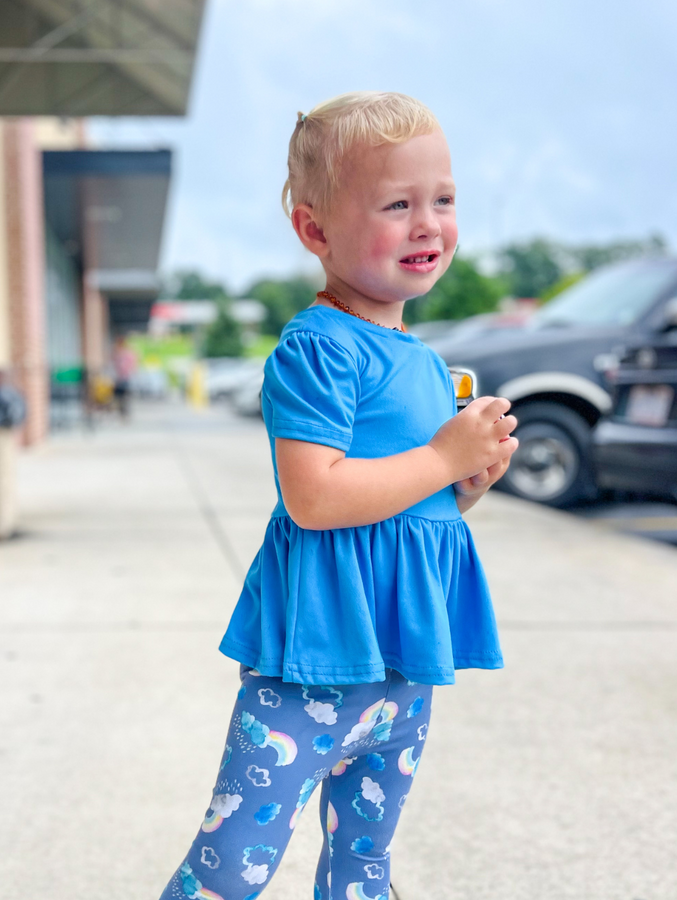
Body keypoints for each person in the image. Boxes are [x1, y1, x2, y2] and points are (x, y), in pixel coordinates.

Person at [158, 91, 518, 900]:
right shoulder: (317, 349)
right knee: (232, 862)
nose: (428, 224)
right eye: (398, 204)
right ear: (316, 230)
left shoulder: (424, 361)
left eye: (444, 200)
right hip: (313, 672)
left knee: (364, 863)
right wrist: (437, 455)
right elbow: (315, 498)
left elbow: (399, 505)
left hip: (402, 668)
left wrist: (459, 486)